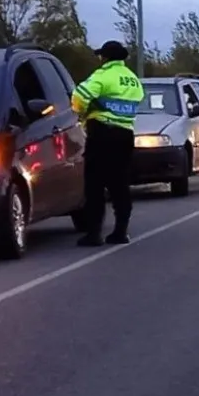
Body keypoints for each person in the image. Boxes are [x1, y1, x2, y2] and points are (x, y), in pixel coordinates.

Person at [70, 40, 144, 247]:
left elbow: (79, 96)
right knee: (120, 184)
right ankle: (121, 232)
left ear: (106, 57)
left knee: (95, 185)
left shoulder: (103, 75)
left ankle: (94, 234)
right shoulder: (133, 80)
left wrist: (82, 111)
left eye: (101, 56)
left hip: (102, 135)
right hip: (125, 135)